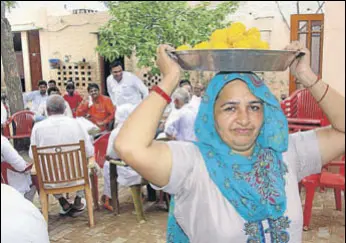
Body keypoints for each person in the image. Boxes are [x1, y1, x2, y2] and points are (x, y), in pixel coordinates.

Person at [114, 42, 345, 242]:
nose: (244, 119)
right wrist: (170, 79)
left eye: (254, 107)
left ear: (266, 111)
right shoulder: (192, 165)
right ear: (210, 114)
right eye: (230, 108)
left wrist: (306, 76)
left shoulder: (285, 154)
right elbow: (129, 146)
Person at [29, 95, 96, 217]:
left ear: (47, 110)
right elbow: (89, 151)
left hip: (50, 180)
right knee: (88, 165)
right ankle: (78, 199)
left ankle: (62, 201)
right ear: (65, 109)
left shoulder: (37, 128)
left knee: (45, 169)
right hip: (77, 177)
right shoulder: (77, 124)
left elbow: (31, 155)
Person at [102, 104, 140, 211]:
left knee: (107, 165)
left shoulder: (116, 132)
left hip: (126, 169)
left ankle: (109, 198)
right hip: (142, 170)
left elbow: (110, 155)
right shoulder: (140, 129)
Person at [1, 135, 36, 201]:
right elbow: (21, 167)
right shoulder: (2, 142)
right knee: (37, 177)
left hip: (5, 184)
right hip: (13, 186)